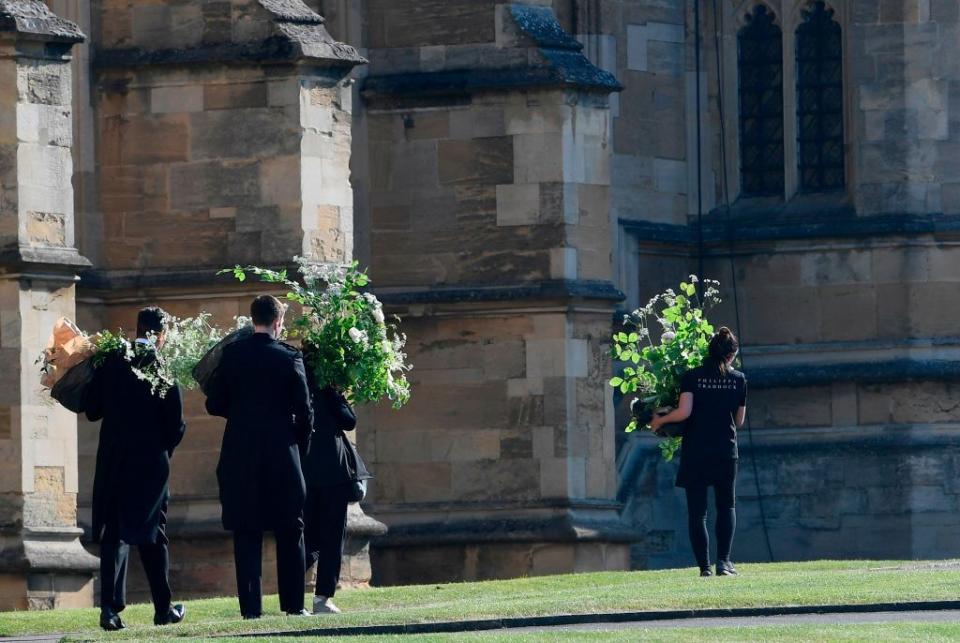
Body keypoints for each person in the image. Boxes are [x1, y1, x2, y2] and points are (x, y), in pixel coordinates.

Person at [205, 295, 314, 618]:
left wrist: (241, 414)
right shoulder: (288, 357)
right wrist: (299, 447)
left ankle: (251, 609)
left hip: (240, 452)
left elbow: (214, 404)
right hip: (282, 452)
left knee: (246, 529)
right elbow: (305, 412)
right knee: (291, 527)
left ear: (252, 319)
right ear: (278, 322)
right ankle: (293, 605)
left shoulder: (233, 355)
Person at [85, 307, 187, 631]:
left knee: (114, 533)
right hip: (150, 462)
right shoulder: (162, 365)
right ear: (161, 334)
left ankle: (109, 610)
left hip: (115, 459)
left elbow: (92, 410)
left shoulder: (113, 361)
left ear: (137, 328)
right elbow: (176, 424)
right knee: (153, 533)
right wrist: (163, 450)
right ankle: (162, 609)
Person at [651, 327, 747, 578]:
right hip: (726, 449)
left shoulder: (692, 377)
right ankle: (724, 563)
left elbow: (684, 413)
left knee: (698, 511)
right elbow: (739, 421)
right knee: (726, 505)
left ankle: (704, 567)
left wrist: (661, 420)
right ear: (730, 354)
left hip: (696, 449)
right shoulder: (738, 379)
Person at [300, 368, 368, 615]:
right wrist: (334, 391)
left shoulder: (295, 387)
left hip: (304, 472)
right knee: (330, 538)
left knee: (307, 538)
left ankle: (295, 598)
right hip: (333, 473)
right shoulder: (328, 389)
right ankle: (322, 599)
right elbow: (349, 420)